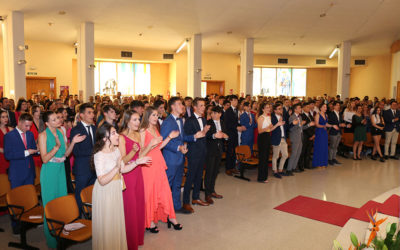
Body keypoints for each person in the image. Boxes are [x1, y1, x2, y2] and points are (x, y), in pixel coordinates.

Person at [92, 123, 151, 250]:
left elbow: (123, 170)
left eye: (116, 132)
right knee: (108, 224)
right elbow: (102, 180)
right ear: (104, 138)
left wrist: (137, 162)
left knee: (116, 222)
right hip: (105, 192)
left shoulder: (116, 150)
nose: (118, 135)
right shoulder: (99, 155)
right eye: (113, 133)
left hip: (115, 189)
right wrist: (116, 167)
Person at [38, 111, 86, 248]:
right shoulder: (43, 135)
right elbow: (45, 159)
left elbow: (66, 154)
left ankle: (62, 234)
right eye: (54, 119)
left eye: (58, 118)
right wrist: (56, 147)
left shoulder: (60, 132)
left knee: (61, 202)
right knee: (50, 204)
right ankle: (52, 239)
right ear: (47, 123)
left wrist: (73, 143)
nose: (58, 120)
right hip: (49, 172)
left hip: (60, 170)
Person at [140, 107, 182, 233]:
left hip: (158, 162)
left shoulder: (155, 128)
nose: (156, 117)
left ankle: (171, 217)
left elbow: (159, 147)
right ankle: (150, 221)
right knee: (150, 193)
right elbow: (141, 153)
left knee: (164, 191)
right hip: (148, 165)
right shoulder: (142, 130)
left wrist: (169, 137)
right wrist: (151, 144)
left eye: (157, 115)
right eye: (153, 115)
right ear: (147, 116)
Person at [160, 97, 199, 214]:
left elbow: (182, 138)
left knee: (177, 184)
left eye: (182, 104)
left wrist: (194, 136)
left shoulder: (181, 120)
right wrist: (178, 148)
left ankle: (176, 207)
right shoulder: (167, 122)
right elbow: (164, 142)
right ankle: (164, 210)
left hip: (180, 158)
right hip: (171, 159)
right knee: (167, 186)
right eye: (179, 104)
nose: (182, 106)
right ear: (172, 107)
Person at [118, 110, 146, 250]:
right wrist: (133, 152)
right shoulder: (121, 137)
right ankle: (130, 242)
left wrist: (150, 146)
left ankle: (138, 237)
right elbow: (122, 161)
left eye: (138, 119)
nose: (138, 122)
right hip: (128, 175)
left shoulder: (137, 134)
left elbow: (140, 155)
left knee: (139, 204)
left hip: (138, 172)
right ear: (127, 121)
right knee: (130, 208)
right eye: (134, 120)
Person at [70, 103, 97, 213]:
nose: (92, 115)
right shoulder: (76, 130)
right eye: (89, 113)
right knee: (80, 192)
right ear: (81, 115)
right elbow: (76, 151)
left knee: (91, 192)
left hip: (94, 167)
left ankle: (90, 213)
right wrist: (95, 150)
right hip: (82, 168)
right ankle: (79, 214)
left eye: (93, 112)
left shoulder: (95, 128)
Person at [183, 98, 210, 208]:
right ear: (195, 107)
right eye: (201, 105)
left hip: (202, 151)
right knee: (190, 177)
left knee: (199, 176)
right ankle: (185, 202)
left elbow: (203, 136)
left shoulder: (203, 119)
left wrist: (205, 132)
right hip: (193, 152)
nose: (204, 107)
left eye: (204, 105)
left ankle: (196, 198)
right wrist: (197, 135)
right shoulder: (189, 120)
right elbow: (186, 137)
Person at [4, 113, 38, 188]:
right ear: (19, 122)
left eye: (30, 126)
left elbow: (34, 150)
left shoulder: (30, 134)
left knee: (30, 197)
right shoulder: (9, 136)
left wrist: (39, 150)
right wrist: (26, 152)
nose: (28, 128)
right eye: (26, 126)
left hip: (30, 173)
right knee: (18, 198)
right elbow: (8, 155)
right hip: (17, 174)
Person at [204, 106, 227, 204]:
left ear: (220, 114)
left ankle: (212, 191)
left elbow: (225, 134)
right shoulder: (208, 123)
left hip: (219, 150)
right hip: (210, 150)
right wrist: (214, 135)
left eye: (216, 113)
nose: (214, 115)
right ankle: (207, 194)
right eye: (212, 113)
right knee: (209, 172)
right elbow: (206, 135)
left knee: (215, 172)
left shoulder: (222, 122)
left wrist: (226, 136)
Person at [224, 95, 245, 175]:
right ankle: (228, 168)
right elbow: (227, 124)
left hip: (235, 134)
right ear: (231, 101)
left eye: (237, 100)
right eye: (234, 100)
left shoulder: (235, 110)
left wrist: (240, 126)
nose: (236, 102)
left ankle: (233, 167)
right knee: (230, 151)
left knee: (234, 151)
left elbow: (235, 122)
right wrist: (237, 127)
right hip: (229, 134)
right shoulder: (228, 111)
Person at [256, 102, 273, 181]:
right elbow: (259, 131)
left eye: (269, 107)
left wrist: (278, 124)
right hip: (262, 138)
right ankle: (261, 177)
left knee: (266, 157)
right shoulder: (261, 118)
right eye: (266, 107)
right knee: (262, 158)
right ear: (263, 109)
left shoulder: (269, 117)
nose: (268, 109)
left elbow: (270, 129)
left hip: (267, 136)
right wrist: (267, 127)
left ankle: (265, 176)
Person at [270, 103, 288, 177]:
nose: (281, 110)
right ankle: (275, 171)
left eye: (281, 108)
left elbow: (285, 128)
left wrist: (284, 124)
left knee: (285, 155)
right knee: (276, 156)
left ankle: (280, 169)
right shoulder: (272, 117)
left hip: (283, 138)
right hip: (276, 138)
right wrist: (278, 123)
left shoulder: (282, 117)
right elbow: (271, 129)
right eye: (279, 109)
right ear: (275, 110)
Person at [312, 103, 331, 169]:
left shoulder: (326, 115)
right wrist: (323, 126)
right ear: (320, 108)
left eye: (326, 107)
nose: (325, 108)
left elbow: (326, 123)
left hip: (324, 132)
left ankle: (323, 163)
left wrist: (332, 125)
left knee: (324, 147)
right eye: (324, 107)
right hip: (319, 132)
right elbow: (316, 124)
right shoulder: (317, 115)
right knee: (319, 147)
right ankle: (318, 163)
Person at [327, 101, 346, 165]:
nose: (338, 106)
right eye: (337, 105)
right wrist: (339, 125)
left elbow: (342, 121)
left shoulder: (340, 114)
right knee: (332, 146)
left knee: (336, 146)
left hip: (339, 132)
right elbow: (331, 123)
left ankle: (334, 158)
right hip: (333, 132)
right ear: (334, 106)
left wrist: (344, 124)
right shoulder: (331, 114)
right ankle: (330, 159)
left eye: (339, 105)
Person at [286, 103, 303, 175]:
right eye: (299, 108)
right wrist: (295, 124)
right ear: (295, 109)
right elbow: (290, 128)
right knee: (294, 153)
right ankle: (289, 169)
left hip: (300, 137)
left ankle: (294, 167)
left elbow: (301, 127)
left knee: (298, 153)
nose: (300, 109)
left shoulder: (300, 117)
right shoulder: (292, 117)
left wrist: (308, 125)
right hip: (294, 137)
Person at [298, 103, 315, 170]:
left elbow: (313, 125)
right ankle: (301, 165)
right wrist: (310, 135)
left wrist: (313, 134)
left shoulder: (310, 115)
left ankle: (307, 164)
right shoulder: (301, 116)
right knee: (303, 151)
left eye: (309, 107)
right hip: (305, 135)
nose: (309, 108)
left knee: (308, 151)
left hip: (311, 135)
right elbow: (304, 128)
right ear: (303, 108)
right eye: (307, 107)